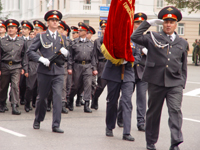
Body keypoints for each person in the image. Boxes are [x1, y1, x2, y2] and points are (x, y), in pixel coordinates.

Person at [131, 6, 187, 150]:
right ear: (162, 23)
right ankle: (150, 142)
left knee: (175, 111)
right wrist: (147, 24)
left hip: (174, 83)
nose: (168, 24)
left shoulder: (182, 43)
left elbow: (183, 65)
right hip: (156, 81)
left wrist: (182, 84)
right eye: (166, 21)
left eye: (171, 22)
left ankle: (175, 142)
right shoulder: (152, 37)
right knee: (153, 114)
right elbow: (134, 37)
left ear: (176, 24)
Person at [27, 10, 69, 133]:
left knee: (57, 97)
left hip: (59, 72)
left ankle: (56, 124)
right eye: (52, 20)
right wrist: (41, 59)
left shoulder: (63, 37)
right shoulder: (41, 36)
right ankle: (38, 119)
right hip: (45, 72)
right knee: (42, 98)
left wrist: (66, 54)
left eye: (57, 20)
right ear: (48, 22)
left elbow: (67, 56)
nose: (55, 22)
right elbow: (30, 51)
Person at [102, 35, 141, 141]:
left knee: (127, 101)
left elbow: (138, 56)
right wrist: (117, 59)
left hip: (128, 73)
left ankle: (126, 132)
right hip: (113, 73)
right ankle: (109, 126)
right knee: (112, 101)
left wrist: (129, 60)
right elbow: (106, 51)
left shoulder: (133, 40)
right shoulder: (113, 36)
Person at [117, 13, 148, 132]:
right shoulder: (127, 37)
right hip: (129, 71)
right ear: (132, 24)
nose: (139, 25)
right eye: (137, 23)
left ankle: (141, 122)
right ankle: (121, 116)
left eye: (141, 23)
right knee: (126, 97)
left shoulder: (148, 38)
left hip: (143, 72)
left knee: (141, 98)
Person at [67, 22, 98, 113]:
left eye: (81, 30)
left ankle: (87, 104)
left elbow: (93, 57)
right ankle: (71, 98)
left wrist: (94, 68)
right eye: (79, 30)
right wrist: (69, 67)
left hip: (88, 66)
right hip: (77, 65)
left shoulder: (91, 44)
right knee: (75, 85)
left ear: (86, 32)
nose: (79, 31)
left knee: (88, 84)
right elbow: (70, 57)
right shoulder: (74, 42)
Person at [0, 19, 26, 114]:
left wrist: (24, 68)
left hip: (16, 66)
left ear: (16, 29)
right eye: (9, 28)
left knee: (15, 86)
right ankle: (2, 103)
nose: (10, 29)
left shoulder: (21, 41)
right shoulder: (2, 41)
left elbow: (24, 56)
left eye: (13, 28)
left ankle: (14, 105)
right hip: (5, 66)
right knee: (3, 87)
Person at [91, 20, 107, 110]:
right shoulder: (97, 41)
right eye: (102, 28)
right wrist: (94, 68)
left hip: (111, 64)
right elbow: (94, 56)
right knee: (101, 85)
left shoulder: (113, 39)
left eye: (106, 28)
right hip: (101, 64)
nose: (104, 30)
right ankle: (95, 98)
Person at [19, 20, 34, 106]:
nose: (23, 30)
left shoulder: (32, 41)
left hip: (30, 64)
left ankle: (27, 99)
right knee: (21, 83)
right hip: (20, 63)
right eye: (22, 29)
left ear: (29, 30)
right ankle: (21, 97)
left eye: (25, 29)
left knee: (29, 84)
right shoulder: (19, 40)